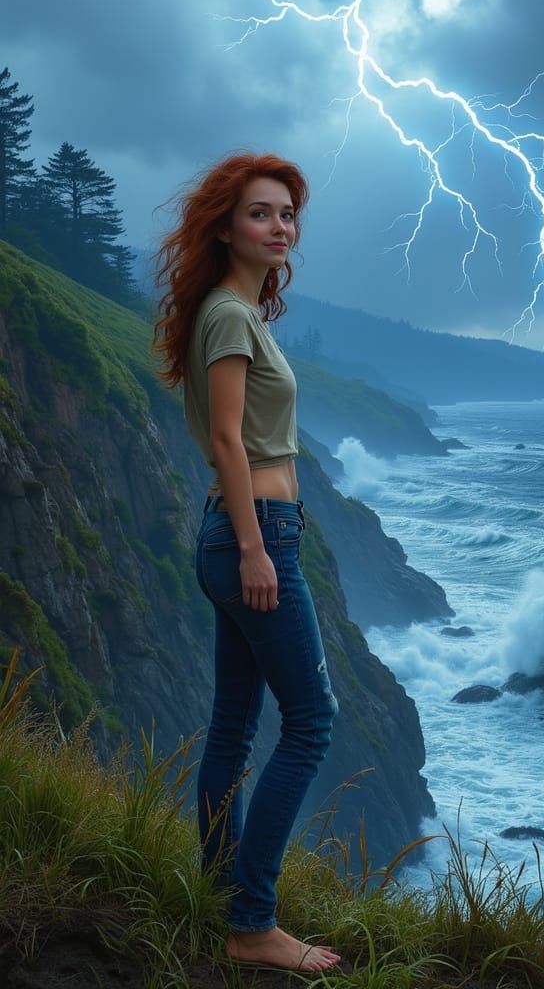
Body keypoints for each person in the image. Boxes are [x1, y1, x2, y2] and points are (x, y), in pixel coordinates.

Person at [150, 151, 341, 972]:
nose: (279, 227)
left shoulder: (237, 313)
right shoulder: (230, 316)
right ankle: (253, 922)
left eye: (287, 214)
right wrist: (261, 546)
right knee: (311, 722)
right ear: (225, 226)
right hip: (252, 533)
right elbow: (228, 439)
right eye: (261, 212)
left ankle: (224, 898)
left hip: (240, 533)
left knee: (233, 726)